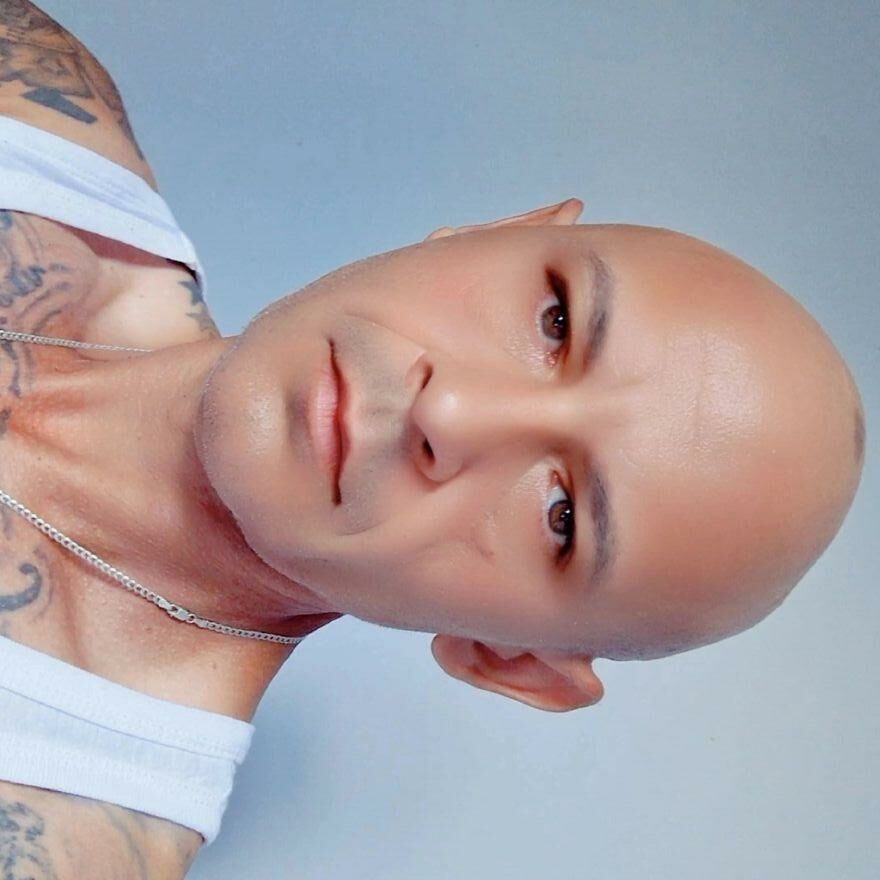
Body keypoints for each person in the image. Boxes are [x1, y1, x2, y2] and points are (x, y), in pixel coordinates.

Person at [0, 2, 867, 878]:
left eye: (563, 518)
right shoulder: (30, 100)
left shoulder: (55, 841)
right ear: (501, 228)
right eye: (558, 322)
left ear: (515, 661)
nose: (449, 412)